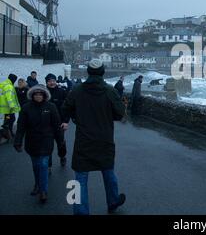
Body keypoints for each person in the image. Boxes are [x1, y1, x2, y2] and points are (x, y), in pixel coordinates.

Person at [61, 59, 126, 215]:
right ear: (102, 72)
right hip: (105, 139)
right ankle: (113, 201)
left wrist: (72, 118)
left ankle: (80, 211)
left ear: (88, 72)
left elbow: (65, 108)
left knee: (80, 177)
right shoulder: (110, 91)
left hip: (83, 139)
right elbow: (119, 113)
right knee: (108, 172)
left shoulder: (77, 90)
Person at [14, 85, 63, 203]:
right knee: (36, 166)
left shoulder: (51, 107)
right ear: (32, 95)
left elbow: (57, 126)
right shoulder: (26, 108)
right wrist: (18, 141)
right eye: (36, 94)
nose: (38, 96)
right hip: (32, 142)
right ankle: (37, 184)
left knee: (43, 165)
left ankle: (43, 191)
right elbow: (21, 126)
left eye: (40, 94)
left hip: (46, 141)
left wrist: (60, 141)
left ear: (45, 95)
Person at [45, 73, 68, 169]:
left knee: (61, 143)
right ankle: (48, 165)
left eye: (53, 80)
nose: (52, 83)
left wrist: (66, 121)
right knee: (47, 145)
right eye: (50, 81)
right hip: (46, 124)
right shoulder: (43, 92)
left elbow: (67, 107)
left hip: (59, 123)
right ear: (46, 82)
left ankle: (62, 156)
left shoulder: (62, 92)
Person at [0, 74, 21, 141]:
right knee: (11, 119)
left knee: (8, 119)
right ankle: (7, 132)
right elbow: (9, 98)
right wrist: (12, 107)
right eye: (15, 79)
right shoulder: (9, 86)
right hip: (9, 108)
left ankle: (6, 130)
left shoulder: (3, 84)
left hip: (5, 108)